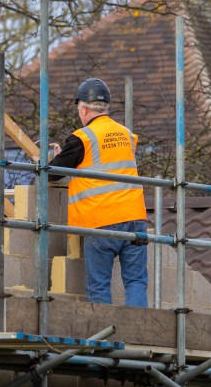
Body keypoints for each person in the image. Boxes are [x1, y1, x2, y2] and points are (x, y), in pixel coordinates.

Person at [48, 78, 149, 307]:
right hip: (135, 219)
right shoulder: (127, 134)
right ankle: (138, 337)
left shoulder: (81, 138)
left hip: (101, 220)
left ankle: (105, 341)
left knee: (99, 285)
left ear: (84, 109)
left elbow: (51, 173)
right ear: (106, 108)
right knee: (136, 281)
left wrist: (55, 157)